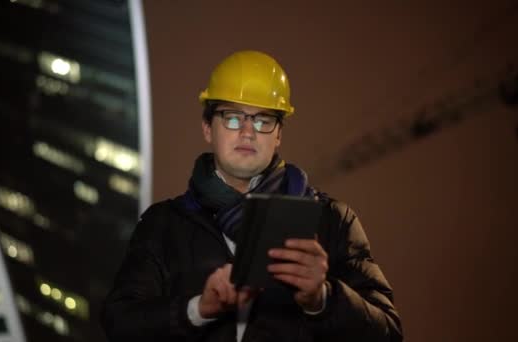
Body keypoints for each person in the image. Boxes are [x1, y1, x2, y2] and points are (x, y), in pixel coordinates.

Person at [101, 50, 403, 342]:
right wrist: (198, 309)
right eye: (232, 118)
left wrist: (322, 298)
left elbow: (388, 332)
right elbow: (119, 324)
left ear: (278, 134)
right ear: (208, 128)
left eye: (262, 120)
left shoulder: (333, 220)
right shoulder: (163, 224)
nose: (248, 132)